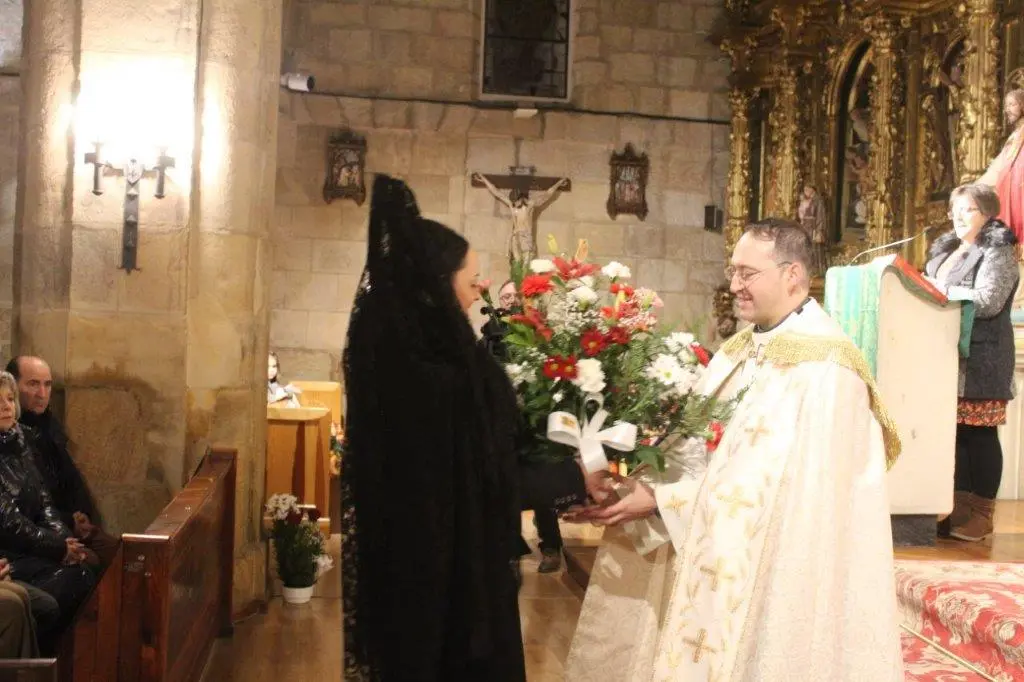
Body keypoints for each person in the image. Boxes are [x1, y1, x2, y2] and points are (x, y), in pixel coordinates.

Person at [564, 219, 904, 681]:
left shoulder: (828, 370)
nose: (734, 285)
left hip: (777, 575)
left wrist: (664, 502)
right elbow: (696, 447)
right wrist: (641, 485)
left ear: (793, 275)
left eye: (748, 273)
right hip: (708, 553)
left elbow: (789, 495)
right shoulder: (741, 348)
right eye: (733, 271)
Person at [341, 175, 586, 681]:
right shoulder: (437, 379)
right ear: (435, 281)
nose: (482, 287)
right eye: (471, 276)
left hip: (424, 576)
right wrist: (578, 475)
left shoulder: (409, 360)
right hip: (448, 588)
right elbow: (485, 485)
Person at [924, 183, 1018, 541]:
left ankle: (982, 513)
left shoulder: (998, 251)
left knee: (979, 434)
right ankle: (958, 508)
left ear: (988, 213)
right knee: (958, 433)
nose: (958, 216)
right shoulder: (948, 250)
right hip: (946, 353)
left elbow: (990, 300)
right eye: (955, 209)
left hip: (983, 356)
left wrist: (941, 292)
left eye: (967, 210)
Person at [480, 280, 566, 574]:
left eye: (514, 296)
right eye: (505, 297)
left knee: (541, 486)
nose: (510, 301)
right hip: (501, 426)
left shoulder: (538, 334)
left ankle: (551, 546)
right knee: (504, 486)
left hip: (534, 423)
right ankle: (511, 549)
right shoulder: (489, 336)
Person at [0, 372, 95, 636]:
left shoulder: (20, 444)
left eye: (9, 399)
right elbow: (9, 522)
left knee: (84, 567)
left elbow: (45, 504)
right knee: (67, 586)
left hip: (32, 547)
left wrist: (65, 541)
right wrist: (58, 547)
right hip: (11, 553)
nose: (6, 406)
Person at [5, 356, 120, 569]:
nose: (42, 394)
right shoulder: (14, 438)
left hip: (61, 527)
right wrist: (65, 533)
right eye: (33, 384)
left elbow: (67, 483)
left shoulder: (49, 428)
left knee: (124, 555)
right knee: (90, 563)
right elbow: (21, 512)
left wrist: (80, 518)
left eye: (47, 385)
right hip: (34, 539)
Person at [977, 89, 1024, 249]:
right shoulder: (1014, 137)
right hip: (1009, 208)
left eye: (1012, 104)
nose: (1007, 110)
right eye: (1006, 105)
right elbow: (998, 169)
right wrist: (973, 189)